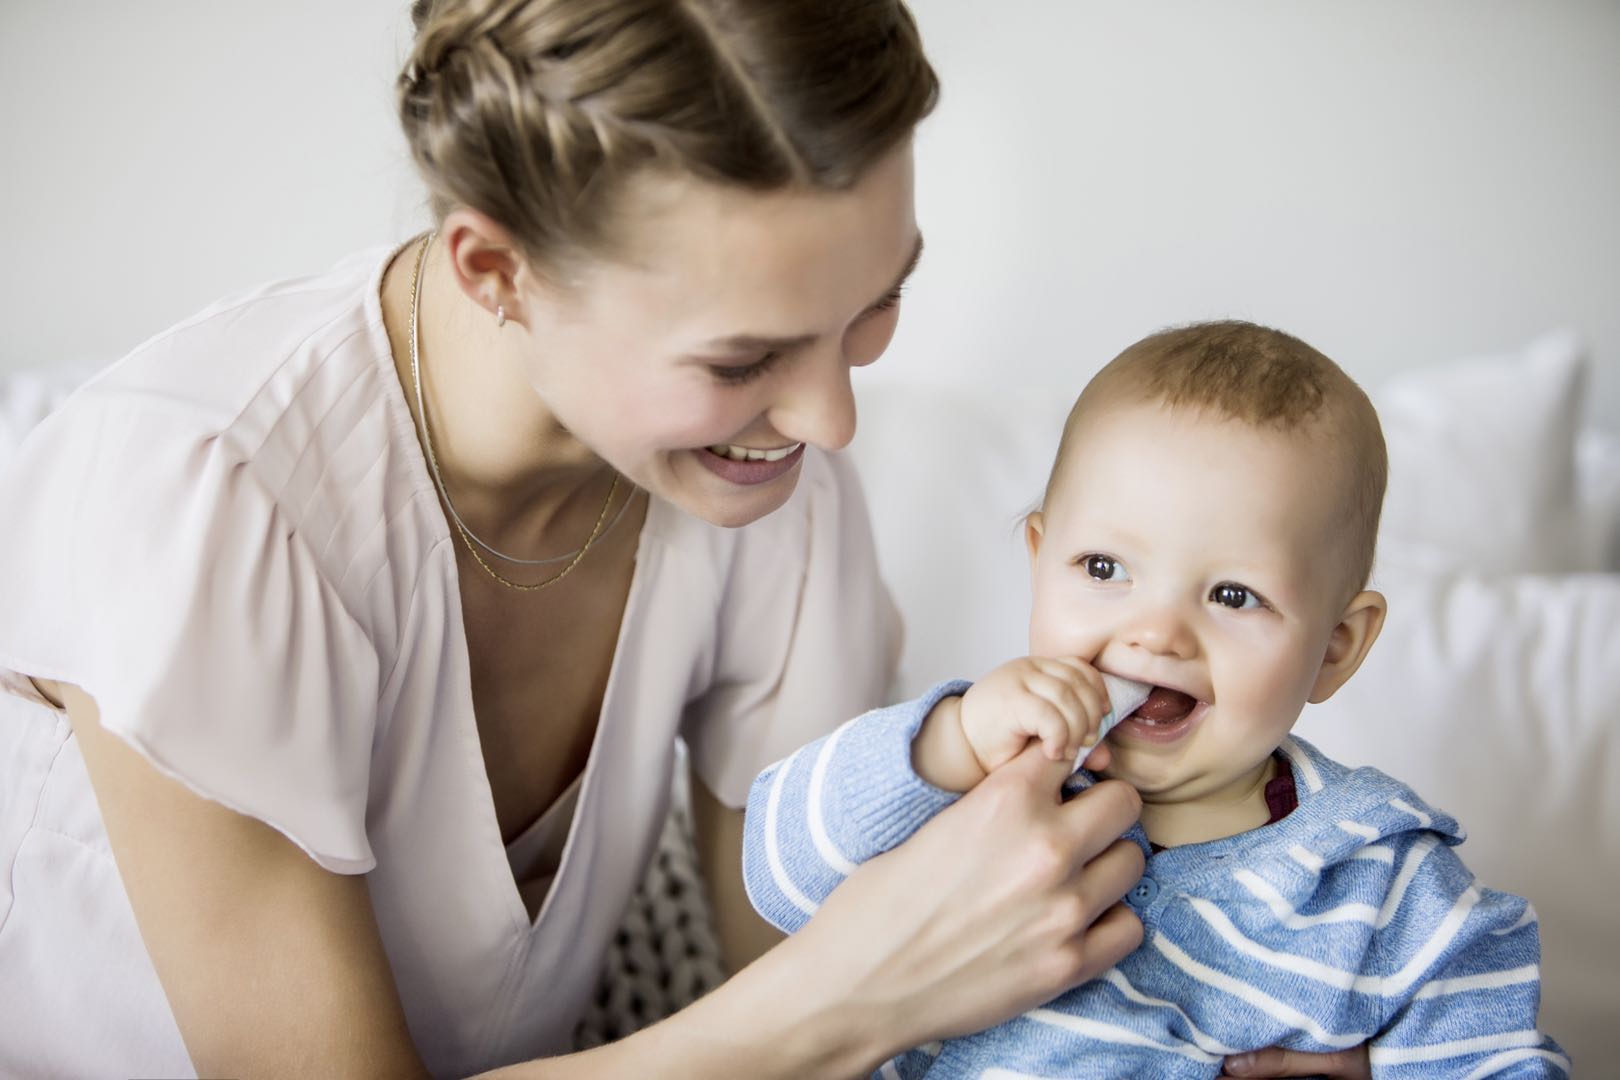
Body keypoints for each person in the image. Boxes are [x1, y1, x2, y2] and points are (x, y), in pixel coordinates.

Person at [0, 1, 1370, 1076]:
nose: (830, 417)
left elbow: (774, 931)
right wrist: (852, 995)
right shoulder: (207, 491)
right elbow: (812, 997)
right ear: (496, 268)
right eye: (743, 355)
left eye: (874, 309)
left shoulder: (760, 483)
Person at [744, 321, 1571, 1078]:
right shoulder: (973, 778)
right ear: (1040, 560)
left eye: (1234, 596)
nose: (1156, 633)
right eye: (1105, 569)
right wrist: (947, 742)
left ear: (1335, 647)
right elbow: (778, 874)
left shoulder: (1386, 887)